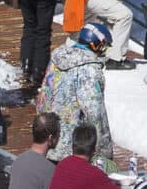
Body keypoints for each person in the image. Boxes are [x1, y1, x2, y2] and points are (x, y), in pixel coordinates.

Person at [38, 22, 114, 162]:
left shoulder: (58, 57)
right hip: (73, 148)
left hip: (47, 138)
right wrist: (105, 152)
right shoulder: (89, 70)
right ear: (97, 45)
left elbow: (44, 96)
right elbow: (95, 114)